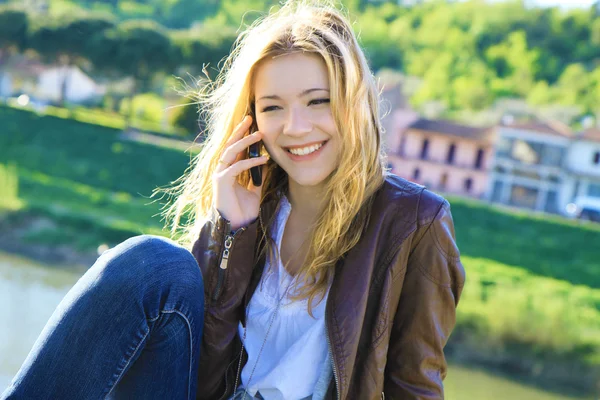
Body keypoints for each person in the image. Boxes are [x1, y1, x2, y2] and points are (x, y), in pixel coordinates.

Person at [2, 1, 465, 399]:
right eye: (273, 106)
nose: (295, 127)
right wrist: (231, 231)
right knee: (152, 263)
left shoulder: (415, 222)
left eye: (318, 101)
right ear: (252, 119)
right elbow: (202, 362)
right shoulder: (252, 203)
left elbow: (416, 387)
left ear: (353, 101)